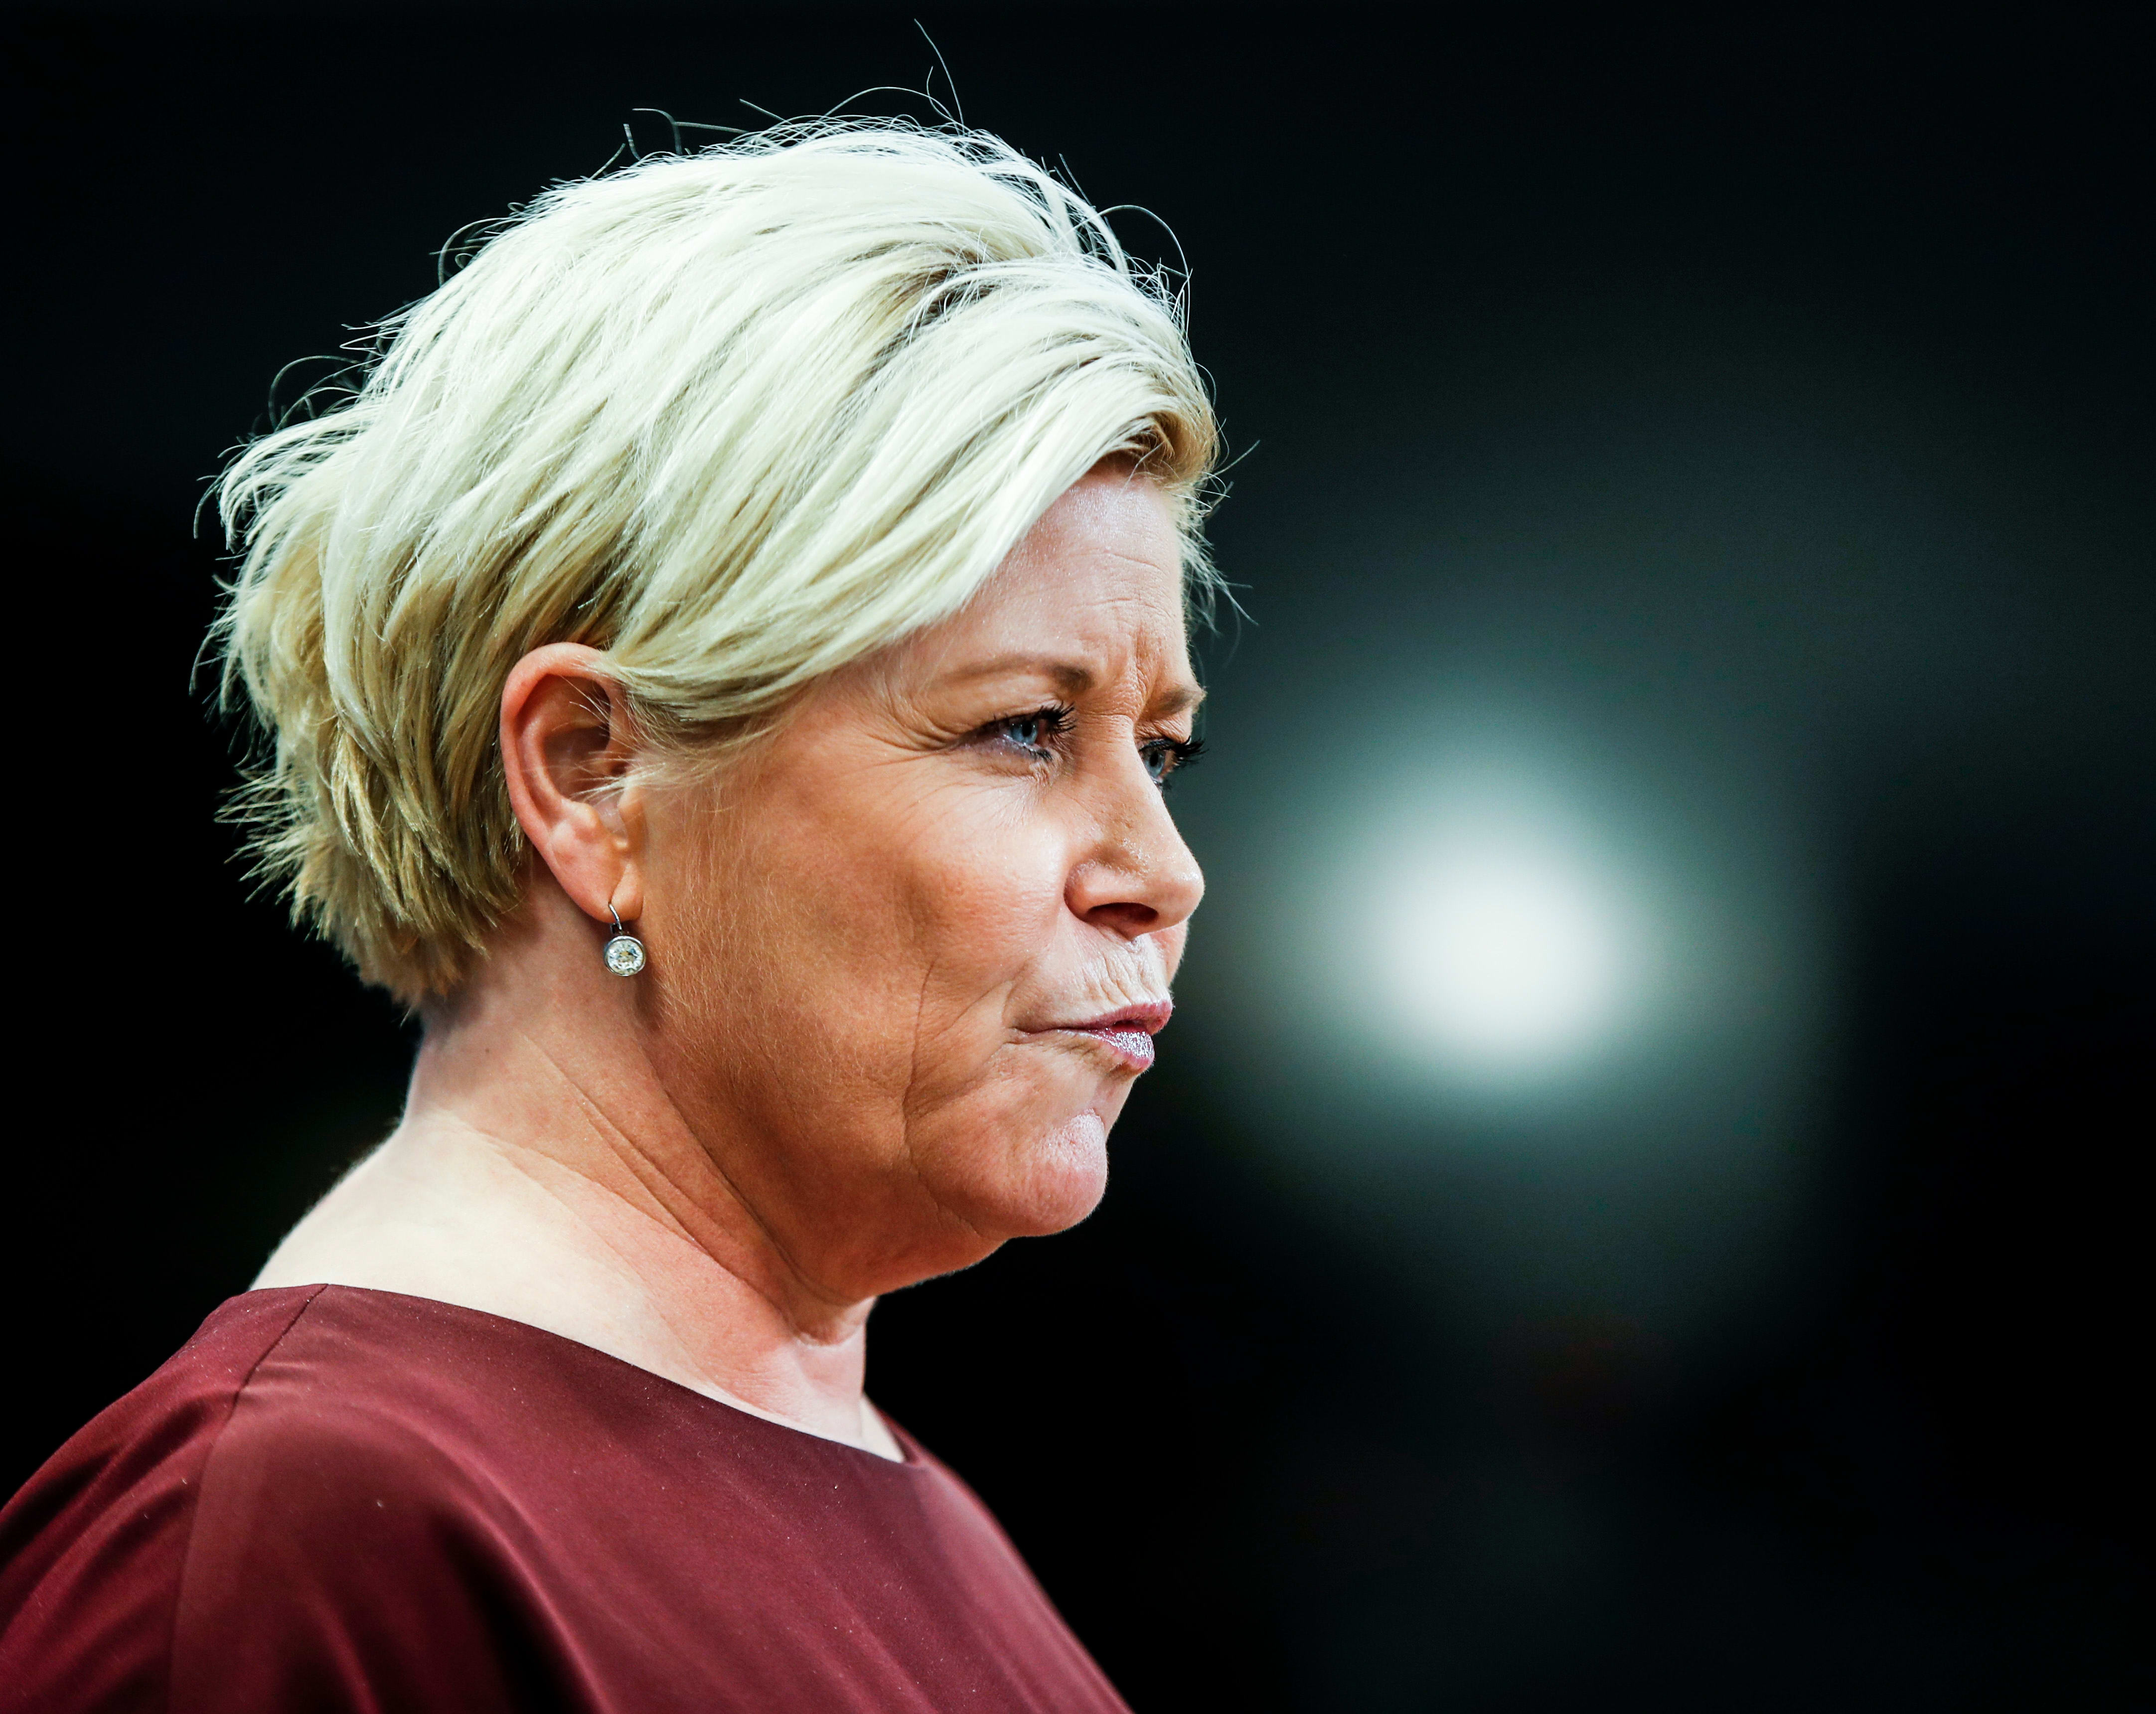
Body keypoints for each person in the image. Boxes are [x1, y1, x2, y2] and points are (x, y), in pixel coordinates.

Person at [0, 121, 1217, 1713]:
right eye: (1023, 729)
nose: (1164, 870)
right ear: (594, 776)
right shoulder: (284, 1538)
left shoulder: (923, 1509)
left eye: (1161, 750)